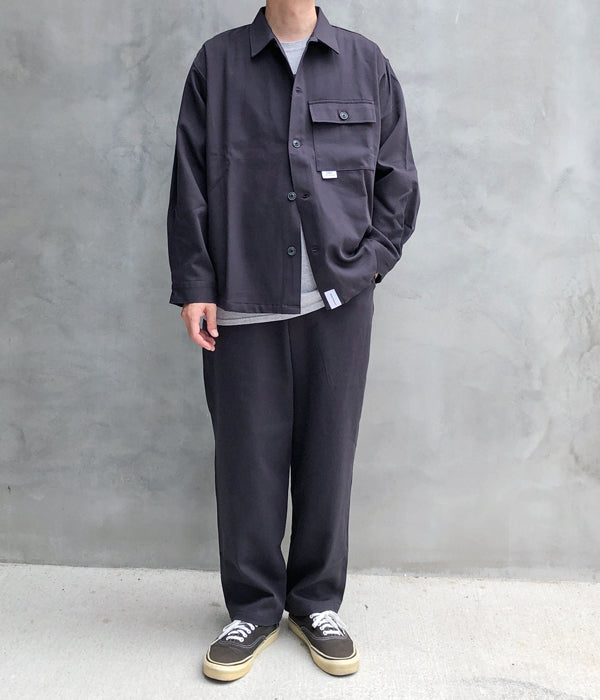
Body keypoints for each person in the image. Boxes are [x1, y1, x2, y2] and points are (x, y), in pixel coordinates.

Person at [167, 0, 420, 682]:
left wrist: (368, 267)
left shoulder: (366, 64)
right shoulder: (217, 64)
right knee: (246, 462)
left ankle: (316, 604)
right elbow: (189, 181)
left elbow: (398, 181)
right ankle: (252, 608)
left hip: (338, 304)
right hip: (243, 298)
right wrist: (196, 285)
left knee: (328, 456)